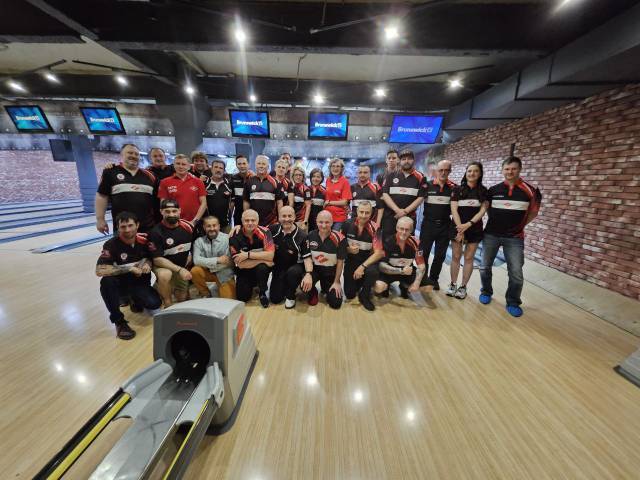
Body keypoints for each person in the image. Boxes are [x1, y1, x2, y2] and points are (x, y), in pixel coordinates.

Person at [479, 156, 542, 317]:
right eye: (507, 169)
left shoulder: (531, 191)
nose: (510, 172)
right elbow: (488, 210)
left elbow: (533, 212)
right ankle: (486, 291)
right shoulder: (493, 190)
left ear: (519, 169)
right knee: (484, 266)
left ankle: (513, 301)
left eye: (513, 168)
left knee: (516, 272)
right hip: (491, 234)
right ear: (502, 170)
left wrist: (519, 226)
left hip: (514, 237)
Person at [96, 211, 161, 340]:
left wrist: (147, 263)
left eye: (130, 225)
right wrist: (129, 268)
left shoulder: (145, 240)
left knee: (154, 304)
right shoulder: (111, 244)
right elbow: (100, 270)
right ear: (118, 227)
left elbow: (152, 257)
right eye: (123, 227)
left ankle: (134, 299)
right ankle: (119, 321)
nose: (127, 230)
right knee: (106, 282)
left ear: (137, 225)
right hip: (120, 287)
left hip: (139, 284)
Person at [448, 162, 489, 299]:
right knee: (455, 256)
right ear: (466, 173)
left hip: (474, 229)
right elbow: (454, 210)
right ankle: (453, 284)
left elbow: (482, 211)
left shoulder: (484, 191)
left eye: (475, 171)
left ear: (480, 173)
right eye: (469, 171)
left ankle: (463, 286)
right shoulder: (457, 189)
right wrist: (460, 229)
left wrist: (469, 224)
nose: (472, 173)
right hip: (457, 227)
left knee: (469, 258)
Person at [96, 143, 156, 234]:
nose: (134, 156)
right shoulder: (111, 172)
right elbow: (102, 196)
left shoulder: (150, 176)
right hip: (123, 227)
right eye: (130, 153)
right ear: (122, 155)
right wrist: (100, 219)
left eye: (136, 154)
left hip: (148, 227)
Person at [148, 199, 194, 307]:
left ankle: (163, 287)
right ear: (161, 212)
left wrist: (190, 255)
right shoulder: (155, 232)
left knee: (183, 298)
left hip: (180, 266)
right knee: (165, 274)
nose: (171, 214)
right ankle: (167, 302)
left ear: (179, 211)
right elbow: (157, 259)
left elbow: (195, 245)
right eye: (167, 211)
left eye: (174, 211)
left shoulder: (188, 227)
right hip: (163, 267)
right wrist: (180, 270)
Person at [341, 202, 384, 311]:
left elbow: (378, 253)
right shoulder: (346, 224)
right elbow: (339, 246)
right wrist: (348, 249)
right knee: (349, 294)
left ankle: (364, 295)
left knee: (372, 272)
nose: (364, 215)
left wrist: (362, 267)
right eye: (361, 212)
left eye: (367, 213)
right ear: (356, 211)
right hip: (351, 260)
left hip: (368, 262)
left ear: (371, 213)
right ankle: (360, 282)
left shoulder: (376, 228)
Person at [420, 160, 456, 291]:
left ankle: (434, 279)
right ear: (437, 171)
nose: (443, 173)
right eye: (441, 170)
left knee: (440, 255)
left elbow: (457, 209)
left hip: (445, 225)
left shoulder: (454, 188)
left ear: (450, 171)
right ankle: (423, 278)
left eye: (446, 170)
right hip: (428, 224)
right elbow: (418, 200)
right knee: (424, 253)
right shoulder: (427, 186)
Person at [268, 206, 314, 309]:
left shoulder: (302, 236)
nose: (287, 219)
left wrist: (308, 274)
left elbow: (307, 258)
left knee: (293, 272)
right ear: (279, 217)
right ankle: (283, 284)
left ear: (294, 217)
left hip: (295, 267)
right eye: (283, 216)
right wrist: (238, 226)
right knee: (275, 299)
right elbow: (256, 228)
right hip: (279, 268)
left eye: (290, 216)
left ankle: (291, 295)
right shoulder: (272, 229)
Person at [229, 209, 275, 307]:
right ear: (242, 221)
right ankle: (253, 283)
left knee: (262, 267)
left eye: (253, 220)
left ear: (258, 221)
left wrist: (247, 255)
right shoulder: (234, 236)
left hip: (259, 269)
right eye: (247, 220)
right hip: (244, 270)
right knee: (242, 298)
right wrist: (263, 259)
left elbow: (271, 255)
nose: (250, 223)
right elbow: (240, 264)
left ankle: (262, 292)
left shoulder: (265, 232)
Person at [374, 216, 426, 299]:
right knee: (378, 288)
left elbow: (421, 265)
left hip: (408, 272)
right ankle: (387, 286)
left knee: (428, 287)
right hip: (390, 272)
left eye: (407, 230)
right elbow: (381, 266)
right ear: (397, 228)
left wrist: (417, 283)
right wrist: (401, 271)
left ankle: (404, 286)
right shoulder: (387, 241)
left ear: (411, 230)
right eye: (401, 229)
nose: (404, 232)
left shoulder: (416, 242)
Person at [379, 149, 425, 238]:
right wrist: (397, 210)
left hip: (409, 218)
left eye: (409, 159)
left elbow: (421, 197)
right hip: (390, 217)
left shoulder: (421, 177)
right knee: (388, 242)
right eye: (404, 159)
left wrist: (405, 211)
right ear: (400, 161)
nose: (406, 161)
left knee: (407, 243)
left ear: (413, 160)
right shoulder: (391, 175)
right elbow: (385, 194)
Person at [307, 210, 347, 309]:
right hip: (315, 271)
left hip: (330, 274)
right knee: (304, 285)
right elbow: (307, 258)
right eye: (321, 222)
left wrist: (337, 282)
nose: (324, 225)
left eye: (327, 222)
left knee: (335, 303)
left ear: (332, 222)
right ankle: (313, 292)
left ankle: (326, 288)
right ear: (316, 222)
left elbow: (340, 262)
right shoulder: (310, 235)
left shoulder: (340, 238)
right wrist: (307, 275)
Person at [190, 215, 236, 299]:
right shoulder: (199, 241)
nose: (212, 228)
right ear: (204, 227)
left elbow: (228, 261)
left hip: (224, 274)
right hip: (208, 272)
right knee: (195, 271)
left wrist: (205, 262)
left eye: (214, 225)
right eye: (208, 226)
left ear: (219, 226)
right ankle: (205, 293)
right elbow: (196, 260)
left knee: (228, 302)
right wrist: (217, 260)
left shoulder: (227, 239)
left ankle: (220, 287)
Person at [158, 154, 207, 224]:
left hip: (194, 223)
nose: (180, 166)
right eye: (178, 164)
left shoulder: (198, 181)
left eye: (183, 164)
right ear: (174, 165)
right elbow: (163, 205)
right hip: (173, 223)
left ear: (189, 167)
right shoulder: (164, 182)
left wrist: (194, 222)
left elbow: (204, 203)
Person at [243, 155, 283, 227]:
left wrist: (280, 218)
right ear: (255, 166)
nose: (261, 166)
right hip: (253, 221)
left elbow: (279, 202)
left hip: (271, 222)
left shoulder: (276, 182)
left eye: (263, 164)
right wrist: (246, 217)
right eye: (259, 163)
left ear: (268, 166)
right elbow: (246, 201)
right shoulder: (249, 182)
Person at [203, 159, 233, 233]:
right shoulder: (204, 183)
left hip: (225, 225)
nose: (218, 170)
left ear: (224, 170)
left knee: (226, 240)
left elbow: (232, 202)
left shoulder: (229, 183)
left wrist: (230, 215)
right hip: (208, 225)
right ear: (211, 169)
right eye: (216, 167)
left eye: (221, 168)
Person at [324, 157, 352, 230]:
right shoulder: (328, 180)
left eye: (338, 166)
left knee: (335, 236)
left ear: (341, 168)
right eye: (333, 166)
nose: (335, 168)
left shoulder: (345, 182)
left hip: (339, 217)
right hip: (327, 216)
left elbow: (344, 202)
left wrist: (329, 202)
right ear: (330, 168)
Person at [230, 154, 253, 227]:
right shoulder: (233, 179)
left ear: (248, 164)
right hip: (238, 215)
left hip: (253, 214)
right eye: (239, 164)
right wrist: (229, 216)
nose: (242, 166)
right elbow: (232, 200)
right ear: (236, 165)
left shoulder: (254, 178)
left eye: (244, 163)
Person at [291, 165, 311, 231]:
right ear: (293, 176)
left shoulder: (306, 189)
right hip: (290, 220)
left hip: (300, 221)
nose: (298, 177)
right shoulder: (290, 188)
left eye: (300, 175)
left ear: (303, 177)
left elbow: (308, 206)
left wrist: (305, 221)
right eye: (296, 175)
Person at [308, 168, 326, 232]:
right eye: (313, 176)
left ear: (322, 178)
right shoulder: (306, 189)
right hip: (307, 219)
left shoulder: (324, 191)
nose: (315, 179)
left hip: (319, 221)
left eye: (318, 177)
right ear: (310, 177)